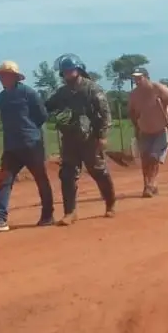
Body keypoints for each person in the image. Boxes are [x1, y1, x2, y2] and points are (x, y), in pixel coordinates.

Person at [44, 54, 116, 224]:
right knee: (67, 175)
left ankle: (110, 204)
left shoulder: (92, 89)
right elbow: (47, 107)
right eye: (65, 71)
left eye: (71, 70)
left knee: (98, 171)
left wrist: (102, 136)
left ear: (78, 69)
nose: (68, 74)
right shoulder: (62, 92)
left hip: (90, 138)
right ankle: (70, 212)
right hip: (69, 139)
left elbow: (105, 113)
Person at [0, 60, 55, 232]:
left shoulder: (28, 93)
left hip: (31, 144)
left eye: (5, 75)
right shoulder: (2, 97)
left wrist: (29, 130)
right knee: (4, 181)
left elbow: (42, 115)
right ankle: (0, 219)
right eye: (0, 75)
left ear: (15, 77)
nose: (2, 78)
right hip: (11, 147)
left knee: (41, 179)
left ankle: (48, 215)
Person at [127, 67, 168, 198]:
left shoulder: (160, 90)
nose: (137, 81)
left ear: (146, 77)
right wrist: (136, 127)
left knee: (154, 157)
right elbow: (132, 112)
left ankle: (151, 184)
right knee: (145, 158)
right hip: (145, 130)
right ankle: (148, 184)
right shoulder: (134, 94)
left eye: (139, 78)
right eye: (135, 79)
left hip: (162, 129)